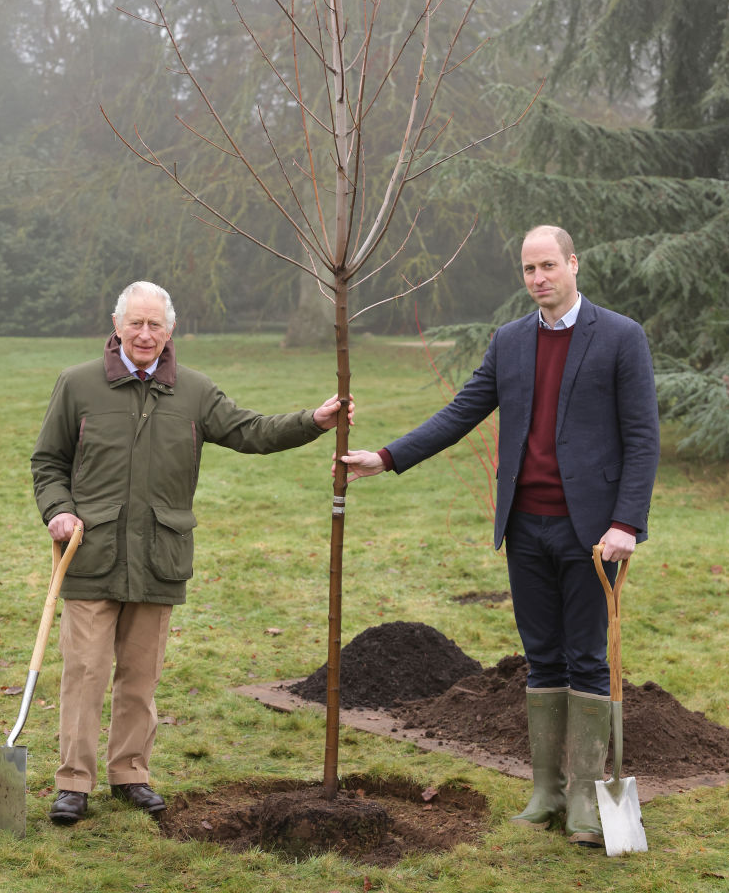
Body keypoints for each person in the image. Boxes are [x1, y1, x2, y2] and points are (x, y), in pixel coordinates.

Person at [341, 225, 660, 847]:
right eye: (528, 269)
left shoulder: (621, 337)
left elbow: (643, 439)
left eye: (548, 266)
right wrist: (387, 456)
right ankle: (546, 791)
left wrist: (626, 524)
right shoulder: (511, 342)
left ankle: (589, 801)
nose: (538, 278)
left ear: (573, 263)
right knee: (541, 656)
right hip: (524, 525)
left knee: (587, 657)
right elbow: (462, 412)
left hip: (594, 534)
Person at [32, 280, 352, 826]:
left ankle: (130, 772)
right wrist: (58, 509)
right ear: (116, 325)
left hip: (160, 556)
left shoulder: (195, 392)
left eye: (155, 324)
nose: (145, 333)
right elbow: (48, 462)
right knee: (84, 672)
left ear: (171, 330)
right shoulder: (78, 386)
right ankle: (73, 783)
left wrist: (313, 422)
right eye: (135, 322)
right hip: (91, 556)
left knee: (140, 675)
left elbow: (251, 431)